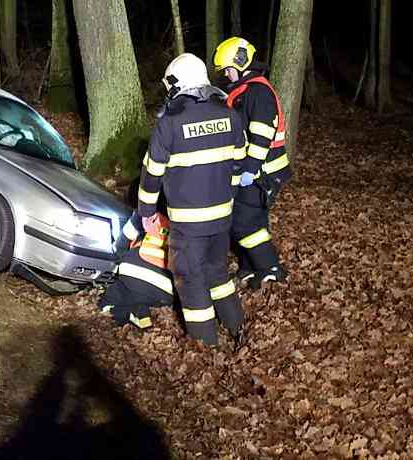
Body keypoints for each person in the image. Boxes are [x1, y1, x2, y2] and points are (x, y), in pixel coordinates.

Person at [137, 53, 247, 348]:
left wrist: (146, 212)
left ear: (176, 84)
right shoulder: (231, 116)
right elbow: (238, 165)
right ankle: (238, 327)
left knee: (190, 279)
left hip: (188, 224)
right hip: (222, 218)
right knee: (218, 273)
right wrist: (227, 199)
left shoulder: (169, 124)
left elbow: (152, 174)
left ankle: (206, 346)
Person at [212, 37, 293, 291]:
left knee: (243, 222)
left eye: (228, 69)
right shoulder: (247, 91)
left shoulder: (258, 92)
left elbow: (261, 135)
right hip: (256, 170)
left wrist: (250, 169)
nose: (226, 74)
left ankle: (271, 267)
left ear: (240, 62)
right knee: (252, 219)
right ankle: (250, 267)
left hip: (263, 171)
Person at [98, 211, 174, 330]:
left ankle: (126, 313)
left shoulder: (146, 212)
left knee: (110, 300)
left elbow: (121, 244)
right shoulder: (189, 225)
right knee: (141, 296)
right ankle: (141, 312)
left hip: (135, 273)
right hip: (166, 291)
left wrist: (119, 260)